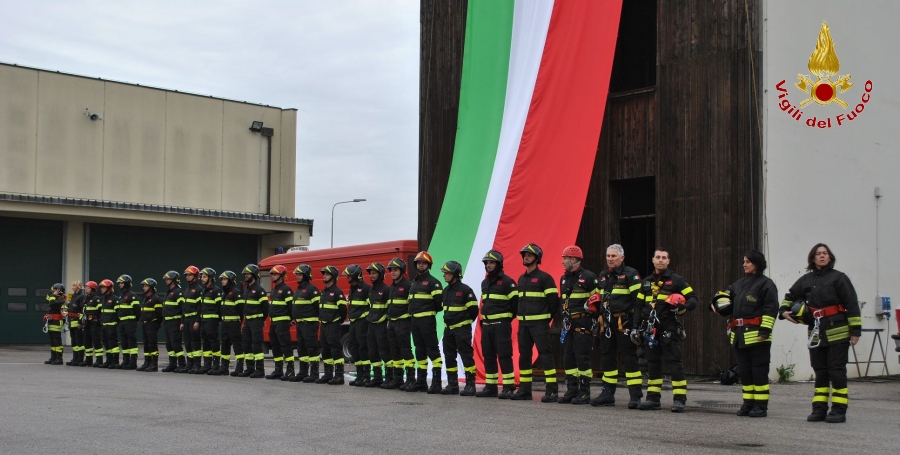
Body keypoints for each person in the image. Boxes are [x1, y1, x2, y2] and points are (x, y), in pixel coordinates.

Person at [779, 243, 861, 423]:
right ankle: (819, 409)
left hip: (838, 331)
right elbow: (790, 296)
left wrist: (855, 331)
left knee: (837, 371)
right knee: (820, 371)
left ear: (830, 257)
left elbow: (852, 304)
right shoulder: (806, 280)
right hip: (816, 331)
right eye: (818, 254)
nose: (822, 256)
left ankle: (838, 410)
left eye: (825, 253)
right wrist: (783, 311)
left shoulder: (839, 278)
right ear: (813, 258)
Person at [711, 250, 778, 417]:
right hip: (739, 337)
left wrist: (765, 331)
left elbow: (771, 309)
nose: (744, 264)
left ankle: (760, 406)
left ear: (757, 263)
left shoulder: (766, 284)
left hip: (758, 337)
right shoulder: (738, 284)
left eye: (748, 261)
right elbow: (724, 295)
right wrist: (716, 303)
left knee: (759, 372)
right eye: (744, 261)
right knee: (745, 372)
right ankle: (748, 404)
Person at [636, 248, 698, 412]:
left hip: (668, 327)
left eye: (664, 258)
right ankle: (652, 399)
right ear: (653, 260)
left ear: (668, 261)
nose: (660, 260)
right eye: (658, 257)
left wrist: (683, 307)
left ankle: (679, 400)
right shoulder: (646, 282)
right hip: (650, 329)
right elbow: (639, 306)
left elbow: (693, 298)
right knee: (652, 363)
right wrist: (635, 327)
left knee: (674, 363)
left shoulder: (676, 280)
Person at [591, 244, 644, 408]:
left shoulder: (631, 274)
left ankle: (635, 396)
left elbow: (639, 302)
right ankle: (607, 394)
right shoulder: (603, 275)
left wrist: (636, 326)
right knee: (607, 357)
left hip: (624, 322)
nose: (610, 259)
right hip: (606, 323)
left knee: (629, 357)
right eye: (608, 256)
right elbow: (598, 299)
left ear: (622, 257)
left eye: (613, 256)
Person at [515, 243, 560, 402]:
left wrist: (545, 319)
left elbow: (553, 302)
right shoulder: (521, 279)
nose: (526, 257)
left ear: (537, 258)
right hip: (523, 326)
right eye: (525, 255)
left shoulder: (545, 278)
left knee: (546, 356)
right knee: (524, 356)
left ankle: (552, 391)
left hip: (540, 325)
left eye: (529, 255)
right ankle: (525, 390)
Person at [557, 245, 599, 405]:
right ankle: (572, 389)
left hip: (583, 321)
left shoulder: (589, 277)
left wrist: (595, 319)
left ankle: (584, 392)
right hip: (568, 323)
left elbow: (597, 300)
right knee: (568, 357)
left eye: (565, 259)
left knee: (582, 357)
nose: (562, 262)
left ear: (573, 259)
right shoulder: (564, 278)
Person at [477, 250, 518, 398]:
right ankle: (491, 387)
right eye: (487, 263)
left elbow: (516, 305)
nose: (488, 265)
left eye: (492, 263)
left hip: (501, 325)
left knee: (504, 355)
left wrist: (505, 319)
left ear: (499, 264)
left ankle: (508, 387)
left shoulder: (508, 282)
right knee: (488, 356)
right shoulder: (484, 283)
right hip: (487, 326)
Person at [439, 261, 478, 396]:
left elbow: (474, 311)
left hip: (462, 330)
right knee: (449, 356)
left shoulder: (466, 290)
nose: (444, 275)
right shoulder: (446, 291)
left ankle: (470, 385)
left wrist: (464, 323)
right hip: (448, 330)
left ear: (455, 274)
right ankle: (452, 385)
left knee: (466, 356)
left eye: (447, 273)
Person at [407, 251, 444, 393]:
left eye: (423, 263)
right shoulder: (414, 283)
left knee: (432, 350)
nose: (421, 265)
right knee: (420, 351)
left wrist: (427, 313)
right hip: (415, 322)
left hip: (427, 322)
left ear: (428, 265)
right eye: (418, 263)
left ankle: (436, 383)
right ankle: (421, 382)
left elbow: (439, 304)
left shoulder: (434, 282)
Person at [382, 258, 414, 390]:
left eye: (395, 270)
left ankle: (411, 379)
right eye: (391, 270)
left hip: (403, 323)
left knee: (405, 350)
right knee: (394, 351)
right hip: (392, 323)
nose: (393, 273)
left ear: (402, 271)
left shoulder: (408, 286)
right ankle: (398, 379)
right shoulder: (392, 287)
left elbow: (412, 306)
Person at [289, 264, 320, 382]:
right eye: (296, 274)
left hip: (309, 324)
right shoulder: (298, 290)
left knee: (311, 348)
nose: (297, 276)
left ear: (306, 275)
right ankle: (303, 372)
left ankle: (314, 373)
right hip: (300, 324)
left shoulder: (312, 289)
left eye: (299, 274)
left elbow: (319, 307)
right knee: (301, 348)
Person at [316, 265, 347, 384]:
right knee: (325, 350)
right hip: (324, 325)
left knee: (335, 350)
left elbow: (343, 310)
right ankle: (328, 374)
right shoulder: (324, 292)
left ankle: (339, 375)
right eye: (324, 274)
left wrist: (337, 321)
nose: (324, 276)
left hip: (333, 325)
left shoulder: (337, 292)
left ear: (333, 277)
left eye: (327, 274)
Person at [344, 264, 372, 386]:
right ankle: (360, 374)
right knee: (353, 347)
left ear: (356, 275)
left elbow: (371, 306)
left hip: (362, 322)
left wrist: (366, 319)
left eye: (349, 276)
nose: (347, 278)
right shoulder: (352, 288)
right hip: (353, 322)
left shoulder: (366, 288)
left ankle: (366, 375)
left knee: (363, 348)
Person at [365, 262, 391, 387]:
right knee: (372, 352)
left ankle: (390, 377)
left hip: (382, 325)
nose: (371, 275)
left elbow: (389, 309)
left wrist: (385, 321)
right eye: (370, 273)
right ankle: (377, 377)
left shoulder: (386, 290)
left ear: (380, 274)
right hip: (371, 324)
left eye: (374, 273)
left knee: (384, 352)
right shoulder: (371, 290)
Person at [239, 264, 268, 378]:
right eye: (245, 274)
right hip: (247, 321)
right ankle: (250, 368)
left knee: (256, 345)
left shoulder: (259, 290)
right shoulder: (246, 289)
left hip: (256, 321)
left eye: (248, 274)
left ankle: (260, 370)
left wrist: (262, 319)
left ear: (254, 275)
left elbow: (265, 307)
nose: (246, 276)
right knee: (246, 345)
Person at [265, 265, 294, 380]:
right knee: (275, 346)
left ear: (281, 276)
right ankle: (278, 370)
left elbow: (291, 306)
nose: (272, 276)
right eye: (272, 274)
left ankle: (290, 370)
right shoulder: (274, 290)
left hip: (282, 323)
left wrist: (291, 320)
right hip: (274, 323)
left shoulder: (286, 289)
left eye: (275, 274)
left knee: (285, 346)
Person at [215, 270, 245, 376]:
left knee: (237, 345)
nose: (222, 281)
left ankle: (239, 367)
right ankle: (224, 367)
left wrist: (238, 322)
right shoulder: (224, 293)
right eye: (222, 279)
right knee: (225, 345)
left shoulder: (236, 293)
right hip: (225, 324)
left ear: (230, 280)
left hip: (234, 324)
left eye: (224, 279)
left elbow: (241, 309)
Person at [196, 267, 222, 375]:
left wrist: (218, 320)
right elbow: (200, 307)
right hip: (203, 321)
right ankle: (207, 365)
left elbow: (220, 307)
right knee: (206, 343)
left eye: (204, 277)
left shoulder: (216, 291)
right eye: (201, 277)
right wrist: (198, 321)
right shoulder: (203, 291)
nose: (202, 279)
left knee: (213, 342)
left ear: (210, 278)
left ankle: (216, 365)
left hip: (212, 321)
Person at [178, 265, 204, 373]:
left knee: (195, 342)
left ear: (195, 276)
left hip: (194, 319)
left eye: (189, 275)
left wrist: (197, 321)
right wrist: (182, 322)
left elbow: (200, 307)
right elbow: (184, 307)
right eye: (186, 275)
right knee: (187, 342)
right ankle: (190, 364)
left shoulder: (199, 290)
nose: (187, 277)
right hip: (187, 319)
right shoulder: (187, 290)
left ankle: (197, 364)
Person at [160, 271, 186, 373]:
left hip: (175, 321)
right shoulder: (169, 292)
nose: (166, 281)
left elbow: (183, 308)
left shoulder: (178, 292)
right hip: (167, 322)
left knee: (175, 343)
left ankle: (182, 364)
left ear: (173, 280)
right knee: (169, 344)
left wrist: (182, 322)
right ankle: (172, 364)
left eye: (168, 279)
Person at [137, 278, 164, 372]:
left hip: (152, 324)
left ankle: (154, 364)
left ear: (151, 287)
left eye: (146, 286)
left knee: (152, 344)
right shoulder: (146, 299)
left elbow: (160, 314)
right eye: (143, 286)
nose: (143, 288)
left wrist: (155, 324)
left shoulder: (156, 299)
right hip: (145, 324)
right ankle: (147, 362)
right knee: (146, 344)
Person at [115, 274, 140, 370]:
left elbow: (137, 309)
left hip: (129, 321)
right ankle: (125, 361)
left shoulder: (132, 295)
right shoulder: (121, 295)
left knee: (131, 341)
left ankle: (133, 362)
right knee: (124, 342)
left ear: (126, 283)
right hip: (122, 322)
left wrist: (135, 320)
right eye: (119, 283)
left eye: (121, 283)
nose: (119, 285)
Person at [80, 281, 104, 367]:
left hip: (94, 322)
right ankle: (88, 360)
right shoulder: (85, 299)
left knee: (96, 340)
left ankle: (99, 360)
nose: (86, 289)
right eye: (86, 288)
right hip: (87, 322)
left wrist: (98, 321)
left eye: (88, 288)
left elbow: (100, 311)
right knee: (86, 340)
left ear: (93, 289)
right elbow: (83, 311)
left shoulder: (96, 299)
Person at [98, 279, 120, 368]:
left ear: (109, 288)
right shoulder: (103, 299)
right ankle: (109, 360)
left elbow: (118, 313)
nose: (101, 289)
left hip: (112, 325)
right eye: (101, 287)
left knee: (113, 343)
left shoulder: (115, 299)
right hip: (104, 325)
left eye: (103, 287)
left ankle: (115, 361)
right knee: (106, 343)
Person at [43, 283, 67, 365]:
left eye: (55, 290)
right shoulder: (52, 297)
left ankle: (59, 358)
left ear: (59, 291)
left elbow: (52, 304)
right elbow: (47, 299)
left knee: (57, 341)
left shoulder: (62, 299)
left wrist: (54, 295)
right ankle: (53, 357)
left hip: (57, 321)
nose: (53, 292)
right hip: (51, 320)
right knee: (52, 341)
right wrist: (53, 294)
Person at [64, 281, 87, 366]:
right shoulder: (74, 296)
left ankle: (80, 358)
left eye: (74, 285)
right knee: (74, 341)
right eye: (72, 285)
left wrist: (80, 322)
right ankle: (75, 358)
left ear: (79, 287)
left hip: (77, 322)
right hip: (71, 321)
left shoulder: (82, 296)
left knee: (79, 341)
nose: (72, 287)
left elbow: (82, 310)